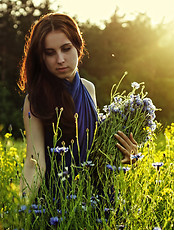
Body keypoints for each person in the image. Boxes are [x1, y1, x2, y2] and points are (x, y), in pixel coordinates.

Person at [18, 13, 138, 200]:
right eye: (50, 53)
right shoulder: (35, 99)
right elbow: (35, 163)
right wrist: (20, 211)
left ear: (78, 46)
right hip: (60, 200)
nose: (60, 59)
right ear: (41, 57)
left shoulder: (89, 88)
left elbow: (95, 150)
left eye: (66, 49)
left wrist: (127, 155)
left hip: (98, 195)